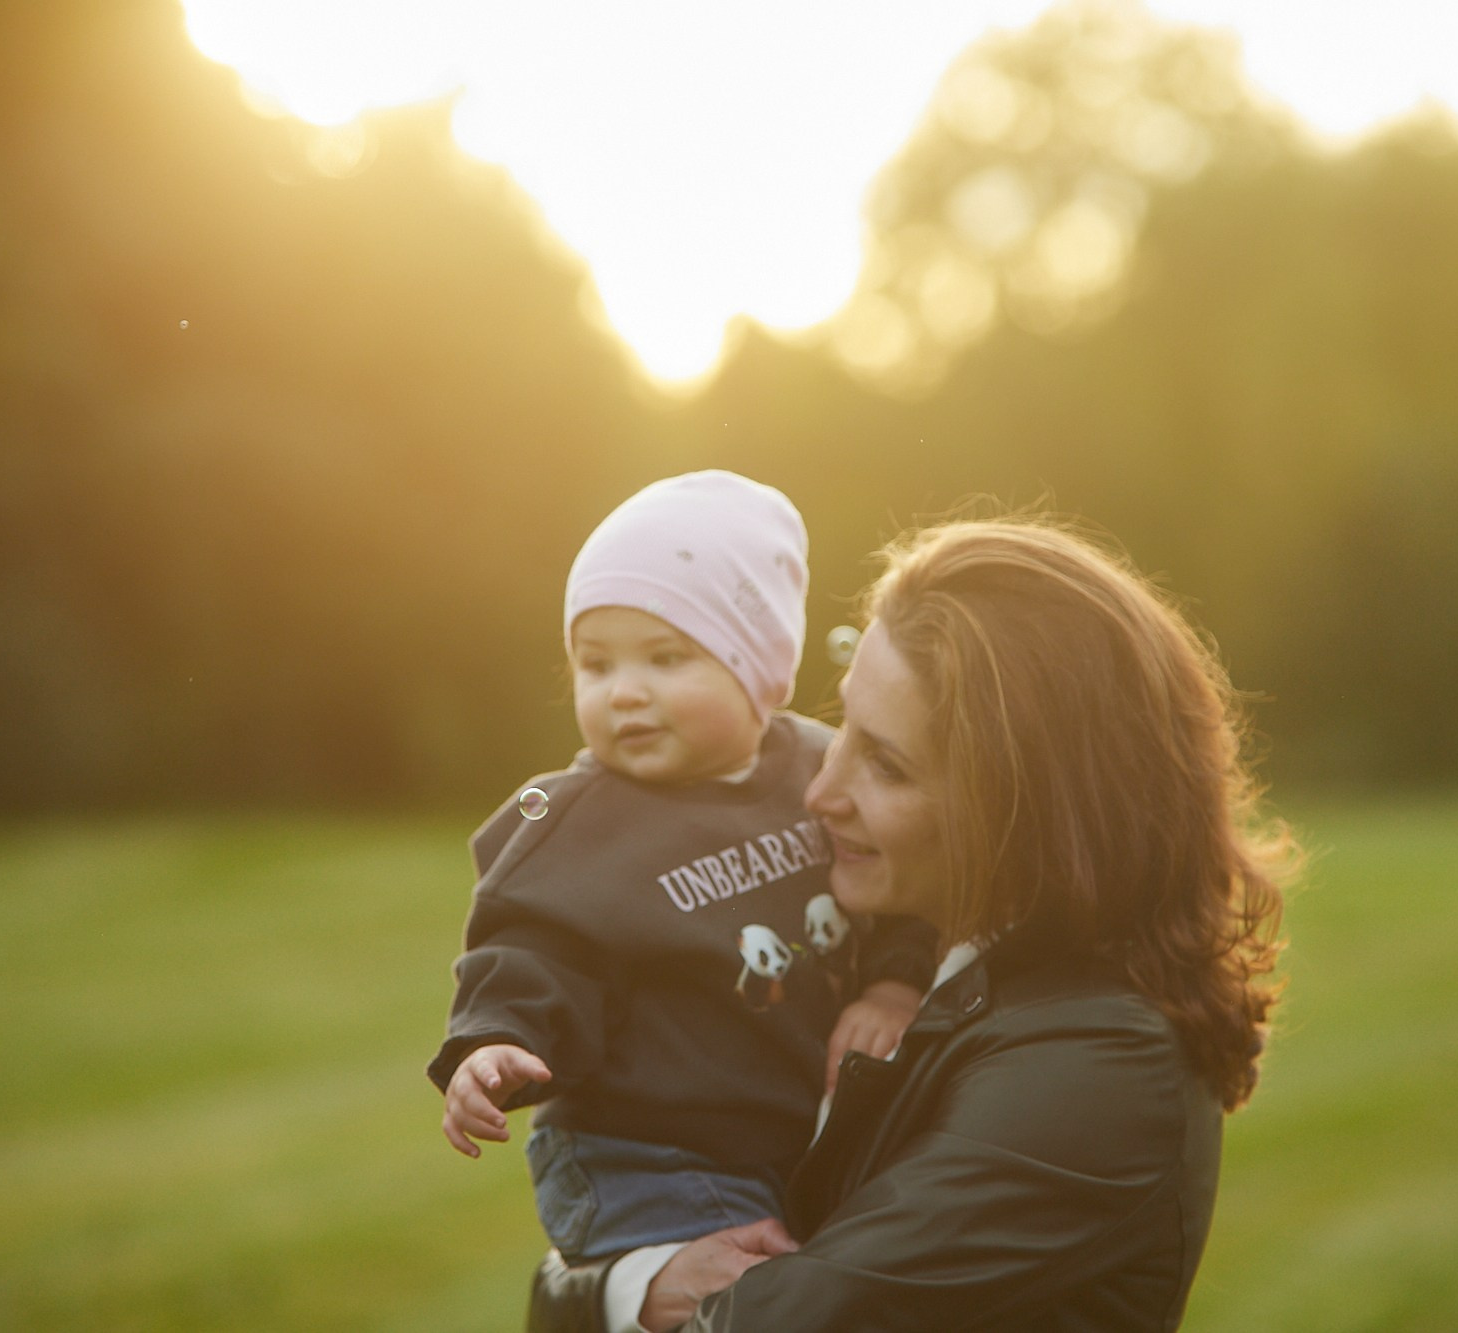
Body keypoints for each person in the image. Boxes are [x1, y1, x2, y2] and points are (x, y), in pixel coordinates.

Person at [529, 516, 1296, 1331]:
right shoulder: (911, 964)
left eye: (886, 763)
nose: (822, 792)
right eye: (842, 725)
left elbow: (786, 1317)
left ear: (1027, 808)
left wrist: (605, 1293)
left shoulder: (1098, 1062)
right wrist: (632, 1283)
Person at [427, 471, 937, 1267]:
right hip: (645, 1156)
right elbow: (530, 951)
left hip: (785, 1136)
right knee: (760, 1296)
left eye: (666, 658)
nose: (625, 692)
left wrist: (894, 983)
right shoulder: (583, 825)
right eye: (596, 665)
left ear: (757, 668)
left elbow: (903, 888)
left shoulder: (816, 768)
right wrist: (495, 1041)